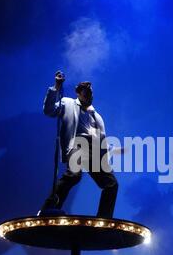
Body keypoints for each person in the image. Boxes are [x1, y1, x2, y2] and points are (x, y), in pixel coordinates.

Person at [38, 70, 118, 218]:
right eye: (85, 92)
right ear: (78, 93)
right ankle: (49, 209)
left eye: (91, 92)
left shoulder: (97, 116)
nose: (89, 95)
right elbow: (49, 110)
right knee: (74, 175)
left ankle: (104, 219)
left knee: (111, 184)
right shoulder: (67, 103)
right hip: (77, 145)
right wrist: (56, 87)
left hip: (94, 151)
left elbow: (102, 141)